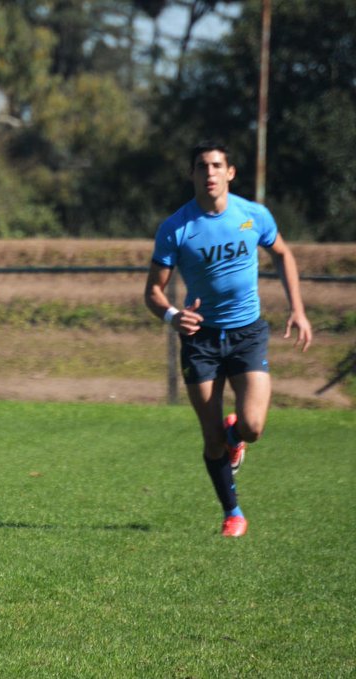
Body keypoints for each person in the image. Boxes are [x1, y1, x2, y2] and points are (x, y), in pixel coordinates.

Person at [144, 140, 312, 538]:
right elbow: (152, 291)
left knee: (253, 426)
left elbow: (284, 255)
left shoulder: (253, 215)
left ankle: (239, 438)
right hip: (201, 340)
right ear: (193, 174)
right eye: (202, 166)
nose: (210, 173)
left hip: (247, 334)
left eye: (217, 165)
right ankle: (232, 512)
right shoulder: (176, 227)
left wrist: (298, 309)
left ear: (231, 173)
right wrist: (172, 315)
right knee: (211, 436)